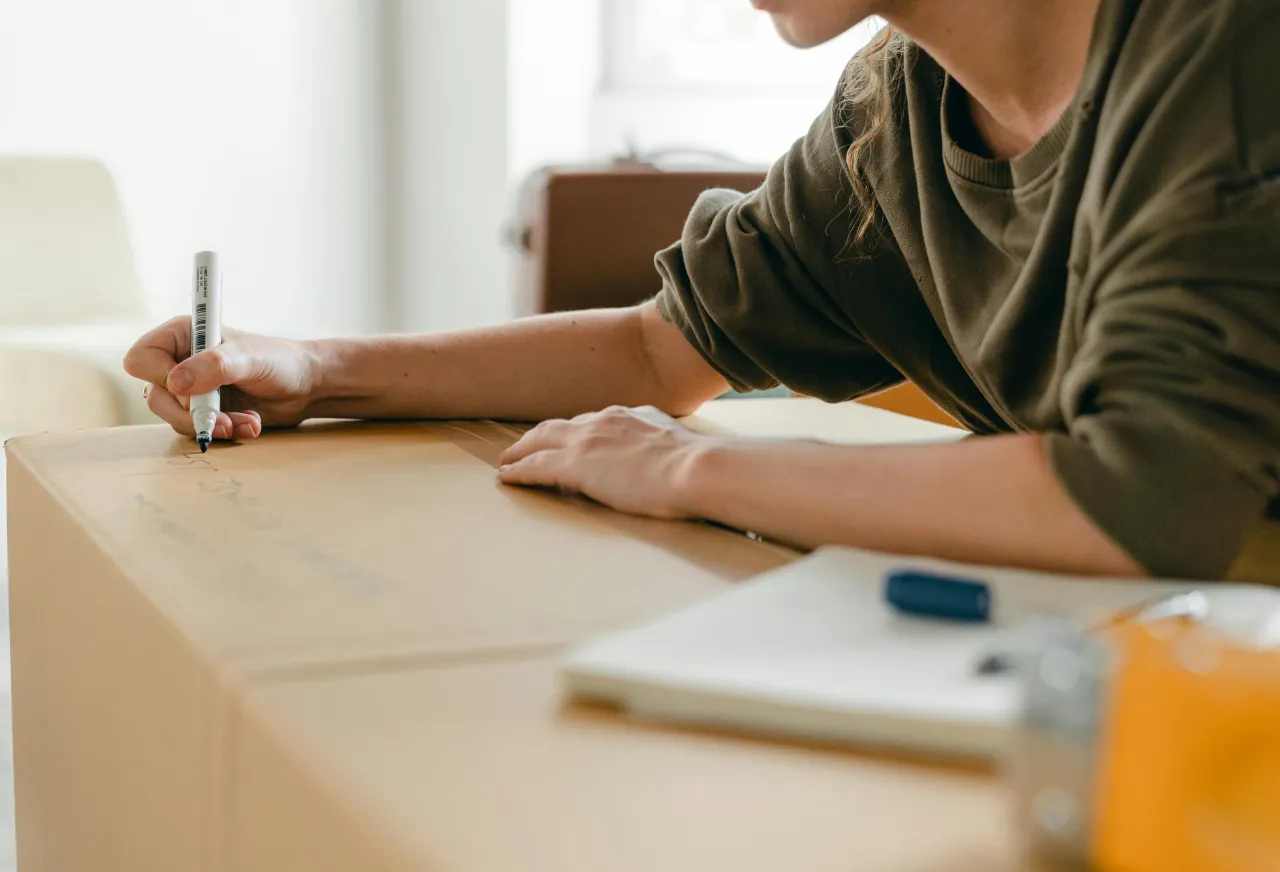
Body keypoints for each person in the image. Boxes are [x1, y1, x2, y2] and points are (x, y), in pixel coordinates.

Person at [125, 0, 1280, 582]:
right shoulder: (891, 110)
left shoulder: (1219, 47)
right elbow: (657, 351)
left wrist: (690, 470)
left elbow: (1138, 496)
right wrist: (322, 372)